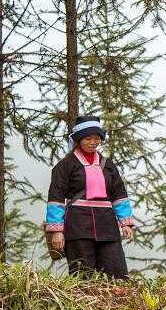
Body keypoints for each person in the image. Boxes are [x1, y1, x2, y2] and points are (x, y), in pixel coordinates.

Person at [45, 115, 134, 279]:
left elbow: (119, 194)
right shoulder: (65, 166)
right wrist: (57, 230)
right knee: (83, 277)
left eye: (97, 138)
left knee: (118, 275)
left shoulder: (108, 165)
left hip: (107, 228)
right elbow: (56, 197)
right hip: (78, 228)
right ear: (78, 140)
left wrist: (126, 223)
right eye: (88, 138)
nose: (93, 142)